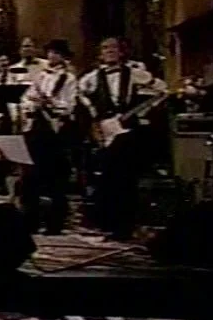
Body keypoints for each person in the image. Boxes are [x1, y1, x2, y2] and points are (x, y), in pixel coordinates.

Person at [78, 37, 167, 240]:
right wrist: (93, 113)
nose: (109, 51)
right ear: (100, 53)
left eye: (113, 47)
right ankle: (110, 224)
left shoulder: (135, 73)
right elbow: (80, 93)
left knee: (125, 179)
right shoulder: (92, 77)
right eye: (105, 48)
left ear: (122, 52)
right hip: (106, 128)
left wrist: (143, 111)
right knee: (107, 179)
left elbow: (162, 89)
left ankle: (125, 227)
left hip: (127, 130)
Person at [19, 39, 77, 235]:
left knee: (54, 178)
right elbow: (26, 98)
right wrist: (31, 105)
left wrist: (49, 103)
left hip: (55, 130)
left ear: (63, 56)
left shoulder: (68, 78)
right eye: (50, 52)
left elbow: (68, 106)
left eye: (56, 53)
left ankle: (55, 223)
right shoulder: (40, 76)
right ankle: (30, 220)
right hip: (36, 128)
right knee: (30, 176)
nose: (52, 56)